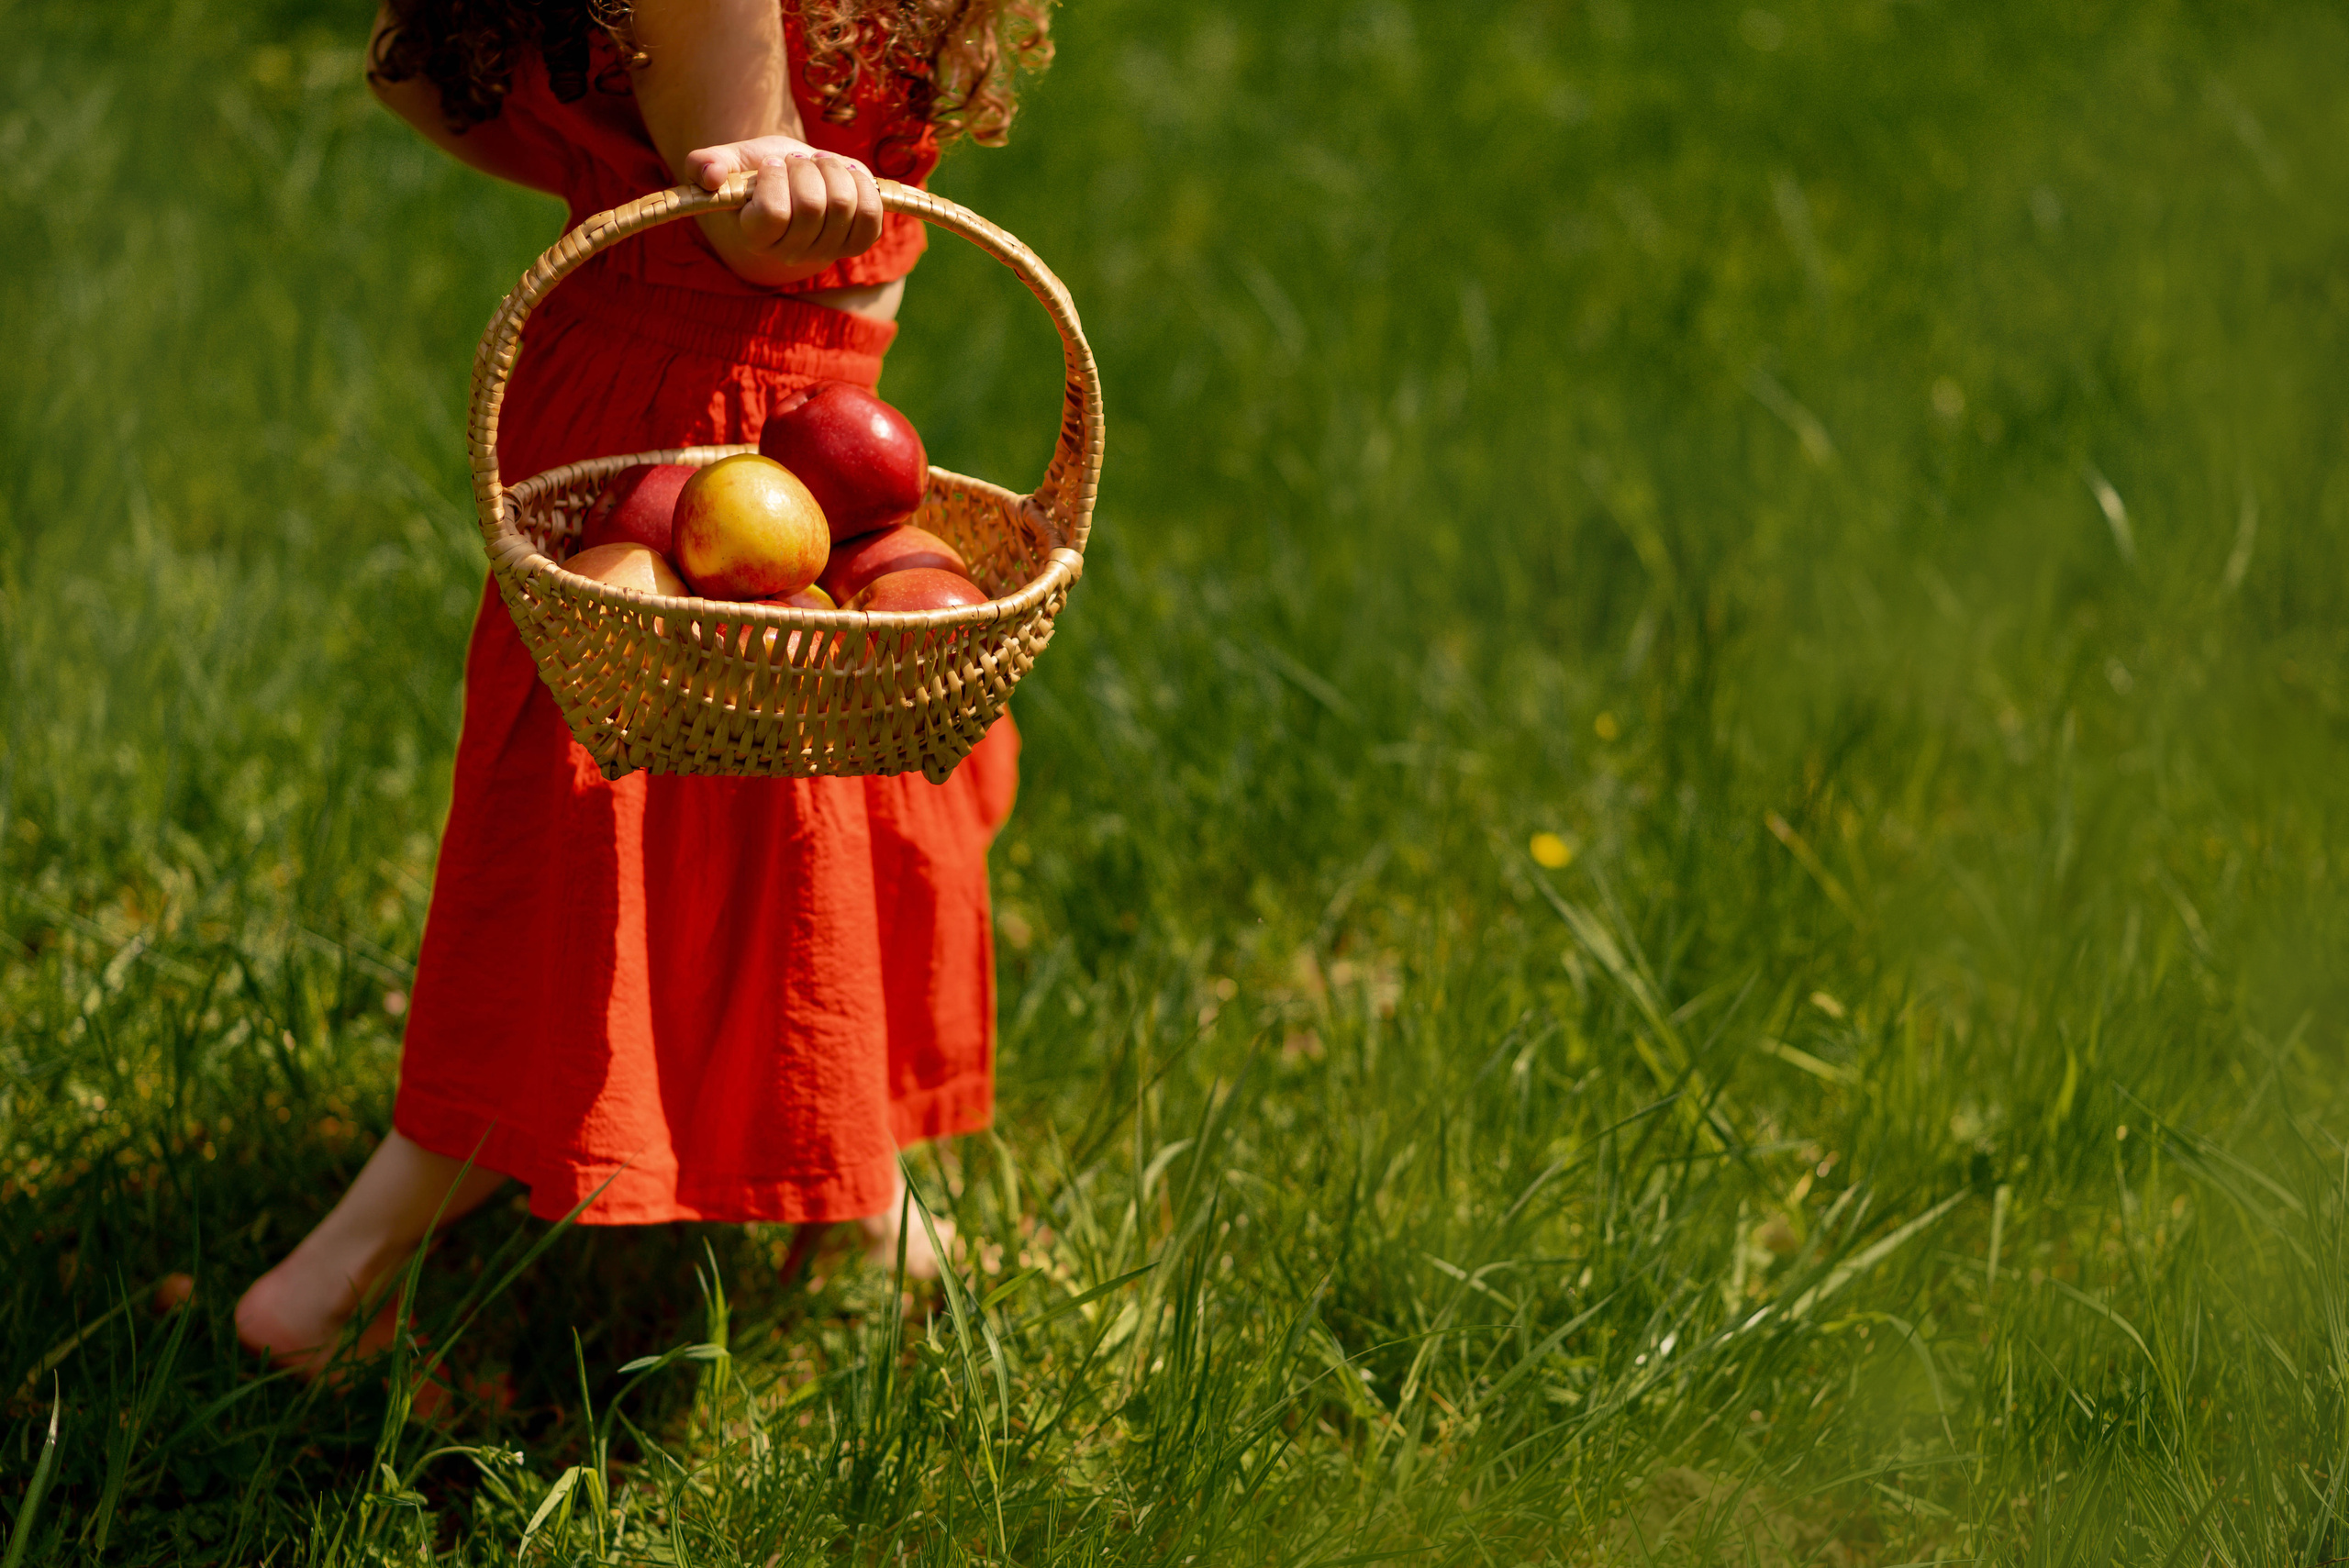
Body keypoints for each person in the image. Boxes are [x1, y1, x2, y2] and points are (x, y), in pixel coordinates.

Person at [228, 0, 1052, 1376]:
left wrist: (617, 163)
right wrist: (756, 174)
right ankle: (343, 1273)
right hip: (695, 414)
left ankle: (855, 1189)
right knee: (622, 864)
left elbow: (417, 75)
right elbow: (748, 210)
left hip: (769, 402)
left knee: (846, 825)